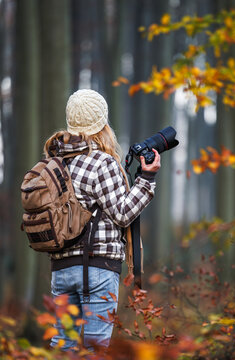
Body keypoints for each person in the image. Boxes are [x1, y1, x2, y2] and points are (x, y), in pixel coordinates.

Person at [43, 89, 160, 351]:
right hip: (97, 268)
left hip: (60, 269)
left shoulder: (54, 162)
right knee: (95, 350)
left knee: (62, 348)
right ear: (102, 123)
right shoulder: (101, 162)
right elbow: (122, 213)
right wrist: (147, 179)